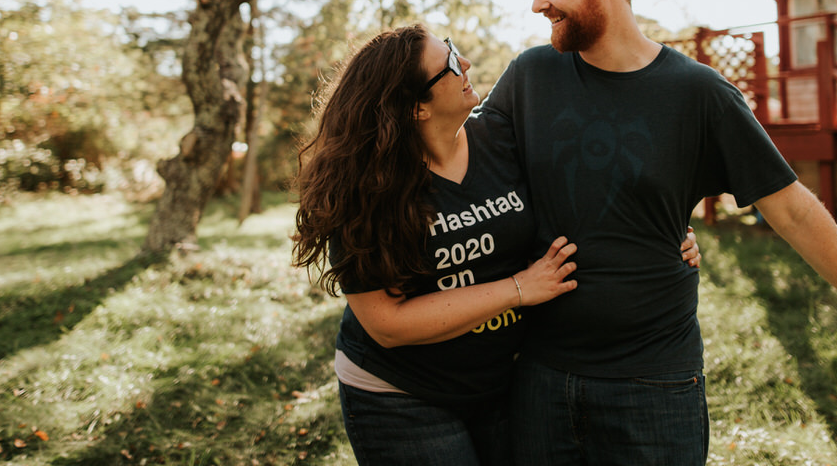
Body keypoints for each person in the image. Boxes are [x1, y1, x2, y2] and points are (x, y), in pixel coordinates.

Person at [477, 0, 837, 466]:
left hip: (653, 387)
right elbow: (461, 168)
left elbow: (792, 212)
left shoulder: (698, 93)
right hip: (540, 377)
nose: (538, 5)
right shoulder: (530, 77)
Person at [292, 24, 702, 465]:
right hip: (401, 394)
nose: (464, 63)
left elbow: (585, 187)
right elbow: (386, 324)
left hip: (501, 381)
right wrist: (520, 288)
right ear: (416, 108)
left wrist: (661, 235)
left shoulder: (502, 139)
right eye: (448, 64)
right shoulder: (365, 189)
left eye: (451, 48)